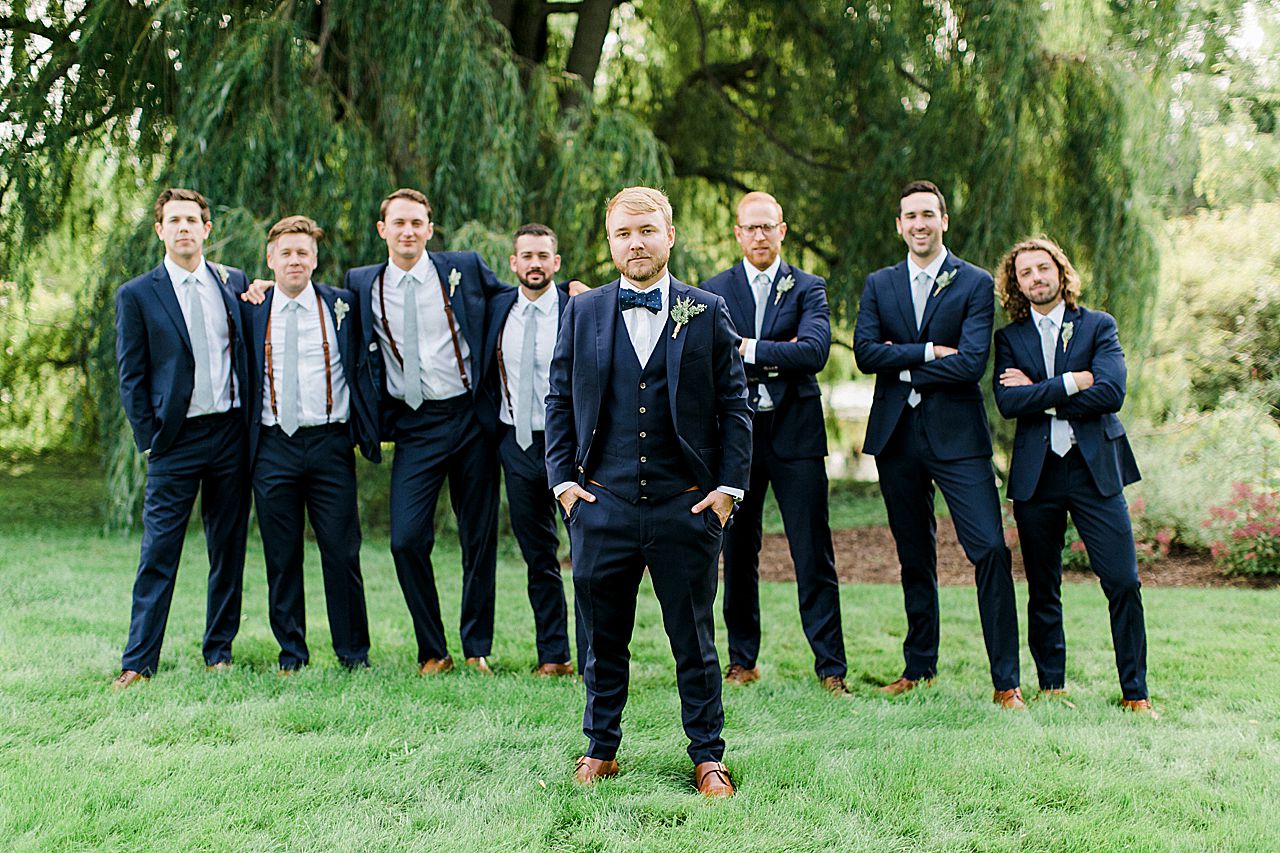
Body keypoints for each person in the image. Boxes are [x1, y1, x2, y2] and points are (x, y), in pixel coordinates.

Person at [545, 186, 752, 796]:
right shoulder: (582, 312)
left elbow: (735, 406)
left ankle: (708, 756)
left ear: (669, 236)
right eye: (623, 234)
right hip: (600, 505)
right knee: (602, 638)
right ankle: (600, 749)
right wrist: (564, 484)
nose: (635, 243)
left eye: (646, 231)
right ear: (611, 242)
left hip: (685, 505)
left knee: (694, 640)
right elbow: (558, 400)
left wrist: (727, 492)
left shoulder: (706, 309)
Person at [853, 180, 1023, 709]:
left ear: (943, 221)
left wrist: (900, 362)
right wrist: (928, 351)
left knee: (989, 549)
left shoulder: (973, 282)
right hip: (896, 436)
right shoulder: (880, 284)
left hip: (958, 438)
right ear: (899, 225)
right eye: (910, 216)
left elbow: (971, 363)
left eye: (928, 214)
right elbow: (864, 354)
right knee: (913, 555)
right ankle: (919, 668)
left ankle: (1006, 682)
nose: (919, 224)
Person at [344, 188, 506, 675]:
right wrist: (262, 291)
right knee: (406, 539)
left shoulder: (464, 268)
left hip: (470, 417)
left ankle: (476, 647)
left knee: (478, 537)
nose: (408, 231)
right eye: (399, 223)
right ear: (383, 230)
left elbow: (513, 300)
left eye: (417, 223)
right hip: (414, 425)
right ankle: (433, 650)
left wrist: (568, 292)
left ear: (430, 229)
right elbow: (319, 306)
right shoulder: (361, 283)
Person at [992, 237, 1155, 716]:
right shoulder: (1010, 338)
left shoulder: (1098, 326)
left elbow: (1111, 393)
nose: (1036, 278)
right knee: (1043, 586)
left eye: (1043, 268)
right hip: (1037, 474)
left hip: (1093, 470)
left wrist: (1041, 394)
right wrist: (1070, 381)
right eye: (1025, 272)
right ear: (1016, 284)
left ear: (1060, 272)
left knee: (1123, 581)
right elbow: (1008, 403)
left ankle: (1135, 693)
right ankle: (1051, 685)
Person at [700, 191, 847, 694]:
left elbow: (814, 352)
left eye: (768, 226)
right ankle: (742, 661)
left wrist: (747, 348)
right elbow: (710, 358)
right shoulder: (714, 291)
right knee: (738, 552)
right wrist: (778, 353)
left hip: (796, 436)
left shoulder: (808, 287)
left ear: (782, 231)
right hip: (735, 437)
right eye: (751, 227)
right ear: (738, 234)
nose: (760, 235)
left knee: (813, 552)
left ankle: (831, 668)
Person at [112, 187, 250, 687]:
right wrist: (150, 438)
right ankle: (138, 662)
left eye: (192, 219)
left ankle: (219, 651)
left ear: (207, 229)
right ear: (160, 230)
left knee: (227, 548)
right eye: (174, 220)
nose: (184, 227)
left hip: (230, 435)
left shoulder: (233, 282)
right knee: (159, 551)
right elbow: (131, 375)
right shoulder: (137, 294)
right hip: (174, 441)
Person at [241, 215, 379, 673]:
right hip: (272, 446)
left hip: (330, 444)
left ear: (315, 259)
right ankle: (292, 654)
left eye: (303, 252)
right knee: (282, 556)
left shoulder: (343, 304)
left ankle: (353, 653)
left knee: (342, 551)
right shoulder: (251, 308)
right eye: (286, 253)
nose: (295, 260)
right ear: (270, 259)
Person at [478, 223, 575, 676]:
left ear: (556, 262)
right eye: (527, 256)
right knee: (539, 558)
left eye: (543, 256)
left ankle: (596, 659)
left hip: (572, 448)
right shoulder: (497, 307)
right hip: (517, 445)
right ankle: (554, 656)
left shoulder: (578, 307)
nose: (535, 264)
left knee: (589, 559)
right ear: (513, 263)